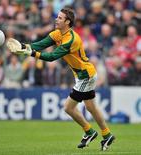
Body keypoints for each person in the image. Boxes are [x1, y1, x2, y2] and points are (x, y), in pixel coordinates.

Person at [7, 7, 115, 151]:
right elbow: (40, 45)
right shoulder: (57, 33)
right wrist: (23, 46)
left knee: (68, 107)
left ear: (67, 22)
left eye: (59, 18)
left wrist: (31, 53)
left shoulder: (71, 39)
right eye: (57, 17)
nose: (56, 19)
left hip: (85, 76)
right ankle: (106, 135)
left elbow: (52, 57)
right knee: (91, 108)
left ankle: (89, 132)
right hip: (82, 75)